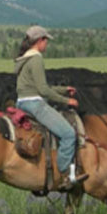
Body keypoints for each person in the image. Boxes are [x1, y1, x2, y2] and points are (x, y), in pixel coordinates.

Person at [13, 25, 85, 190]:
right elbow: (43, 90)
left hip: (22, 102)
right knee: (68, 134)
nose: (47, 44)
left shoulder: (24, 59)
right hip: (35, 104)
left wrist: (63, 89)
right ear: (40, 41)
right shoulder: (36, 58)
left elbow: (39, 86)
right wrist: (67, 100)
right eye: (46, 41)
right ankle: (65, 175)